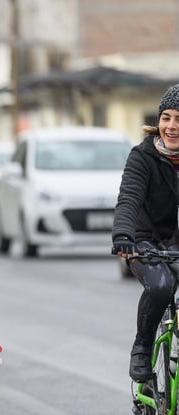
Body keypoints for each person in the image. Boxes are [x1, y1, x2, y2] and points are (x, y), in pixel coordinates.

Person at [113, 83, 179, 382]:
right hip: (145, 241)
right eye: (166, 117)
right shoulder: (142, 157)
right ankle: (142, 346)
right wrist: (124, 237)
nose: (171, 126)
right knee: (161, 286)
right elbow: (129, 198)